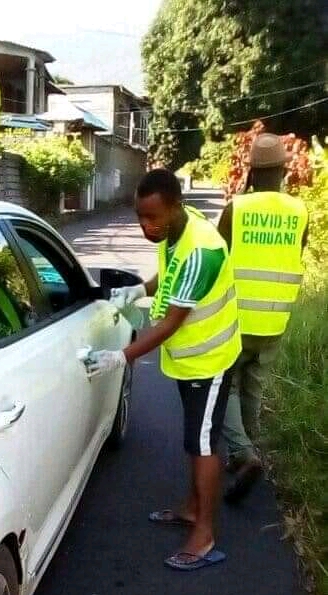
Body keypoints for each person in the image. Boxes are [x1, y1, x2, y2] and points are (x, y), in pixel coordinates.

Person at [88, 169, 241, 571]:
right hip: (189, 359)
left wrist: (123, 356)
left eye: (153, 218)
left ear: (176, 207)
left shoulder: (201, 251)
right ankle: (192, 508)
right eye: (140, 216)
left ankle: (204, 535)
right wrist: (141, 288)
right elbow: (169, 276)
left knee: (203, 444)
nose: (145, 226)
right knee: (194, 440)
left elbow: (172, 321)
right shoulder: (173, 234)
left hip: (211, 361)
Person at [217, 133, 309, 501]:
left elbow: (218, 256)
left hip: (236, 318)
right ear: (285, 172)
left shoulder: (236, 208)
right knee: (253, 385)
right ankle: (246, 455)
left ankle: (243, 454)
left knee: (225, 387)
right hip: (275, 319)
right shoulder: (300, 211)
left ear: (251, 171)